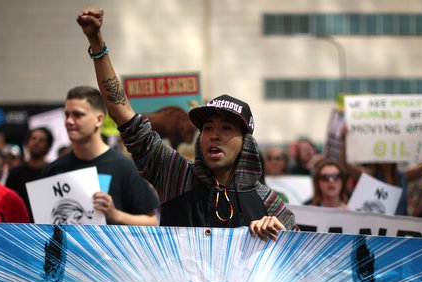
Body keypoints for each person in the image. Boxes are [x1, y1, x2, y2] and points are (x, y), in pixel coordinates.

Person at [76, 7, 295, 240]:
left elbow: (299, 263)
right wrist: (97, 44)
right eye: (208, 128)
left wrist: (281, 237)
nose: (214, 135)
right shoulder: (175, 175)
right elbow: (123, 114)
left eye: (226, 128)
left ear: (246, 143)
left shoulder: (271, 206)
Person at [40, 86, 159, 226]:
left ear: (99, 119)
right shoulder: (53, 170)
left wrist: (116, 215)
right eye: (66, 115)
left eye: (78, 115)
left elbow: (152, 222)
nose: (69, 121)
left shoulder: (124, 168)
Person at [6, 127, 54, 222]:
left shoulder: (53, 172)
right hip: (20, 226)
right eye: (33, 138)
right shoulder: (15, 173)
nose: (36, 142)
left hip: (46, 227)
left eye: (41, 140)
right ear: (27, 143)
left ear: (48, 147)